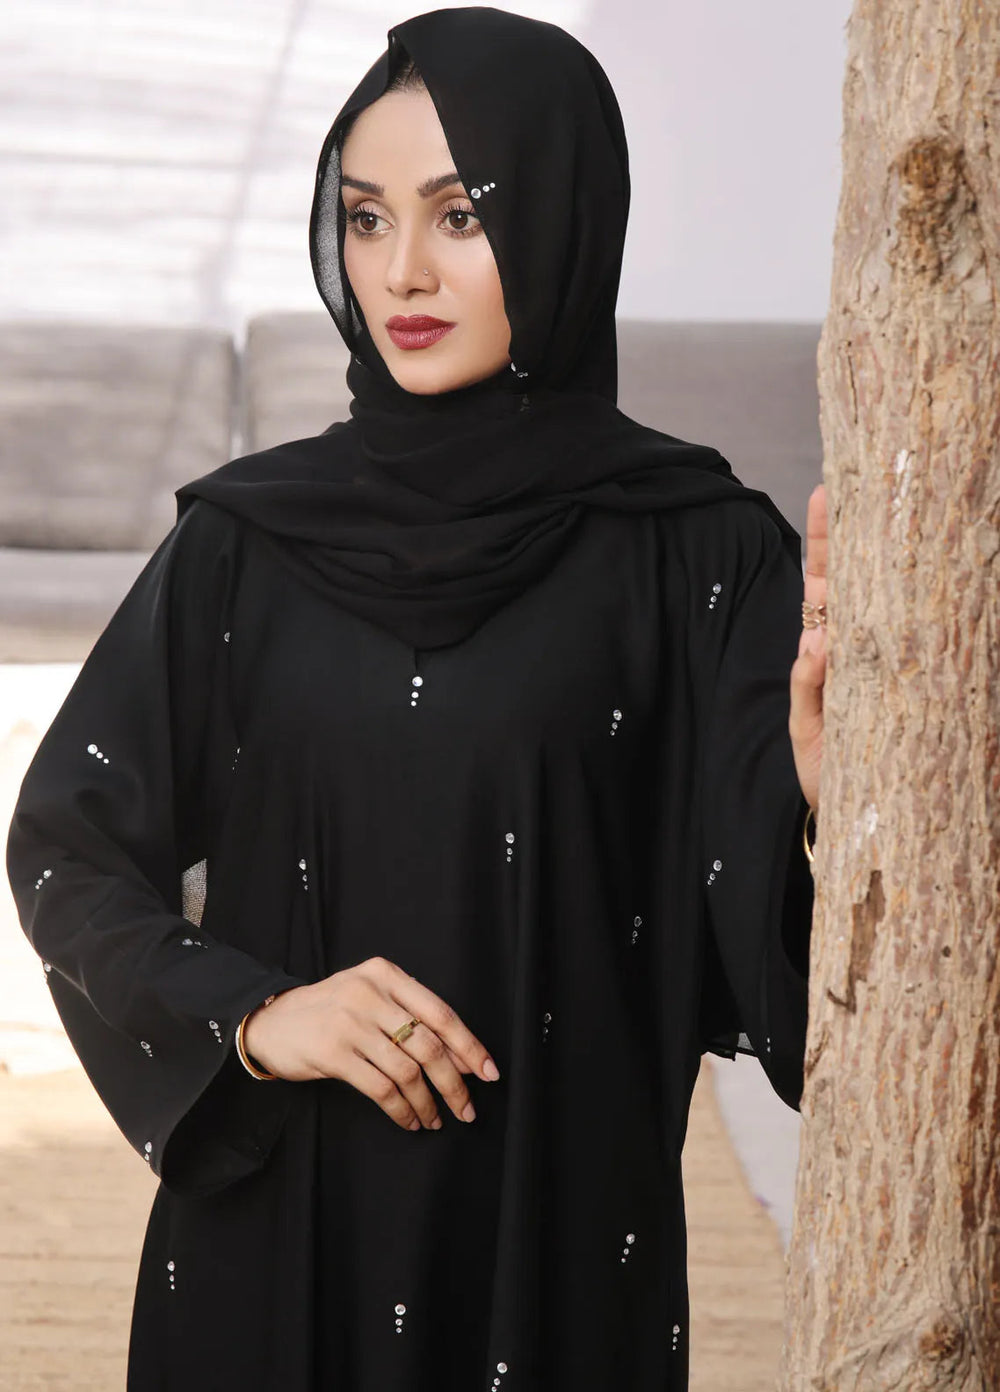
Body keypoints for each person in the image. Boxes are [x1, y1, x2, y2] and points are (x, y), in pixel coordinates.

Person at [5, 7, 827, 1389]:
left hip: (555, 1234)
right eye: (366, 217)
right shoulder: (246, 543)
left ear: (566, 220)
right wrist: (254, 1015)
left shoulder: (704, 552)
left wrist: (822, 804)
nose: (402, 272)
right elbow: (66, 845)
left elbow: (785, 965)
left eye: (462, 214)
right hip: (276, 1233)